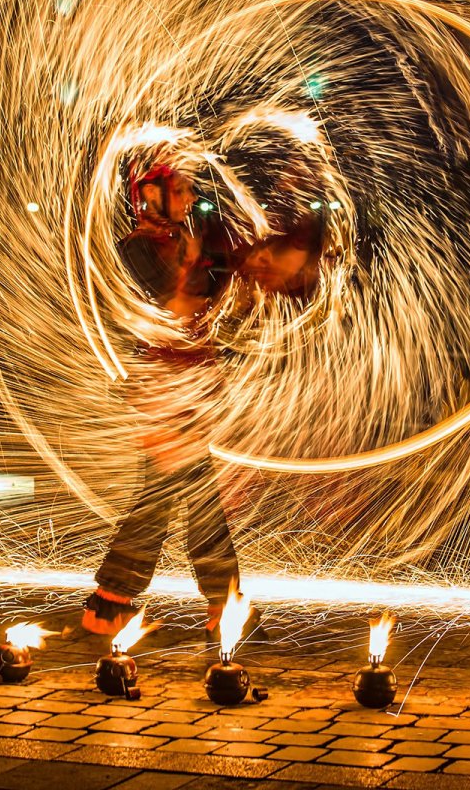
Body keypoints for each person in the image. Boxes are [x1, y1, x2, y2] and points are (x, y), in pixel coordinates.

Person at [82, 158, 327, 638]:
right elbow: (176, 306)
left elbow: (245, 267)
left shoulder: (183, 243)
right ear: (152, 196)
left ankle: (121, 601)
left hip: (189, 383)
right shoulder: (137, 249)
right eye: (183, 191)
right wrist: (199, 267)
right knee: (182, 497)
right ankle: (192, 599)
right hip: (163, 387)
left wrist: (280, 238)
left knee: (179, 495)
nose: (192, 199)